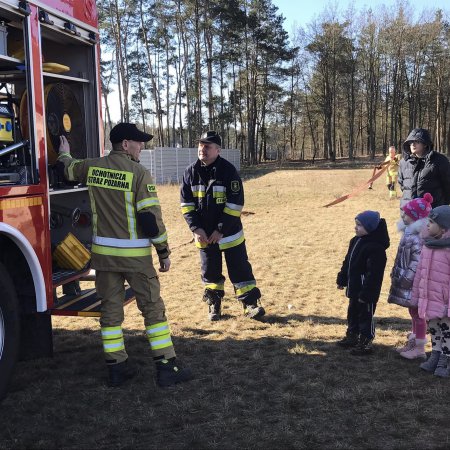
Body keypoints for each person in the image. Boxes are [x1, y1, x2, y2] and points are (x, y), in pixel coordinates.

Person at [56, 123, 192, 387]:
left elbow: (68, 168)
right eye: (139, 142)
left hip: (104, 260)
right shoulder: (139, 173)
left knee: (110, 313)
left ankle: (117, 368)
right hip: (136, 259)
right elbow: (151, 219)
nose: (142, 146)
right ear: (125, 144)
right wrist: (163, 251)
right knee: (152, 309)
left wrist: (63, 152)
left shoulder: (93, 167)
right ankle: (167, 366)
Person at [180, 130, 265, 321]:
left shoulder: (228, 171)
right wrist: (196, 229)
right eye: (200, 145)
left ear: (218, 150)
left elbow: (235, 204)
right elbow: (186, 205)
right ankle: (214, 306)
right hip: (204, 235)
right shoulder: (190, 173)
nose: (203, 149)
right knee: (210, 273)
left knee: (240, 270)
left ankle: (250, 304)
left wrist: (220, 229)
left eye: (207, 146)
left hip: (229, 234)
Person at [336, 210, 390, 355]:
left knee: (365, 316)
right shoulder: (355, 241)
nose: (355, 228)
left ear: (370, 228)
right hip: (354, 288)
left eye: (359, 225)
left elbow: (374, 275)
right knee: (352, 312)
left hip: (366, 292)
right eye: (356, 224)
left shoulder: (376, 249)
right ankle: (352, 335)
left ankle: (366, 341)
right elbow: (348, 262)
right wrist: (342, 278)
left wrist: (367, 294)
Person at [388, 193, 433, 359]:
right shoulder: (409, 233)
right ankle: (414, 340)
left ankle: (420, 348)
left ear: (417, 217)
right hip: (407, 279)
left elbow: (416, 263)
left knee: (419, 314)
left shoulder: (419, 238)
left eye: (406, 214)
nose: (403, 216)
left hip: (415, 281)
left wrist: (406, 278)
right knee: (413, 312)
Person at [410, 206, 450, 377]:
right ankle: (436, 354)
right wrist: (416, 297)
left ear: (444, 228)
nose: (427, 225)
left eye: (432, 222)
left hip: (445, 300)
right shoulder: (427, 245)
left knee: (447, 329)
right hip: (429, 298)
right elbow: (420, 273)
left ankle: (447, 358)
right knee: (434, 328)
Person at [398, 128, 450, 207]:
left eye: (417, 142)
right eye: (411, 142)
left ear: (425, 144)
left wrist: (441, 206)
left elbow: (447, 185)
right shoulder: (404, 162)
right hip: (408, 212)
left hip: (432, 211)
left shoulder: (439, 160)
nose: (413, 144)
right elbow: (402, 185)